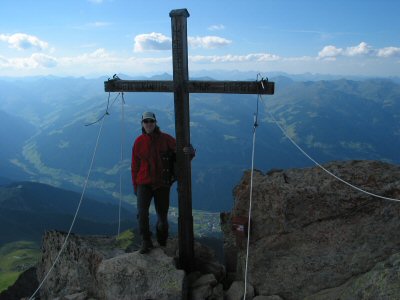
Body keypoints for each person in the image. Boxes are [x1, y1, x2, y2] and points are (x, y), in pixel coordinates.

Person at [131, 111, 194, 254]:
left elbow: (182, 151)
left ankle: (162, 242)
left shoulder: (166, 139)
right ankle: (146, 242)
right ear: (142, 124)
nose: (148, 124)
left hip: (162, 184)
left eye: (151, 121)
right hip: (143, 183)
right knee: (141, 214)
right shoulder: (138, 142)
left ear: (155, 123)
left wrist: (189, 151)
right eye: (146, 121)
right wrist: (135, 186)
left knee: (162, 219)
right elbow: (134, 166)